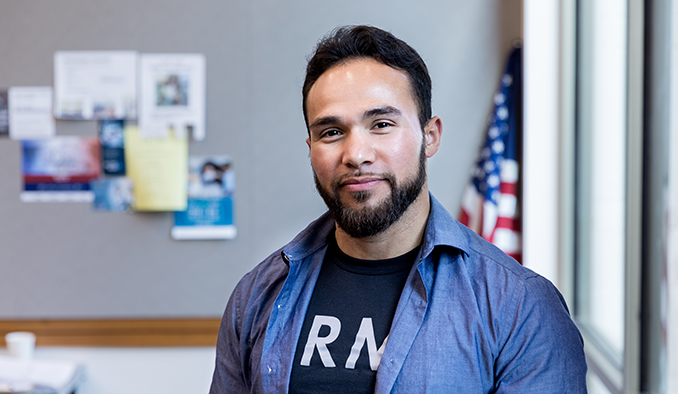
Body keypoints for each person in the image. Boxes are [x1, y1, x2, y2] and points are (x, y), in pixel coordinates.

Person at [210, 25, 587, 393]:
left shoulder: (520, 308)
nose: (356, 155)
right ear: (310, 147)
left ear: (430, 136)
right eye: (331, 132)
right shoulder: (256, 296)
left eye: (382, 124)